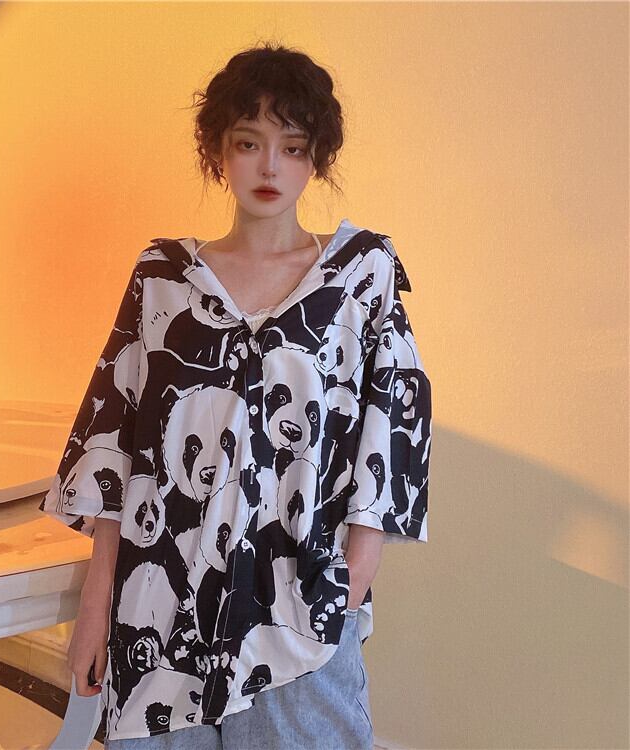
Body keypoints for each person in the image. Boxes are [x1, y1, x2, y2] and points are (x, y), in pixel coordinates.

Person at [39, 41, 432, 750]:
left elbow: (393, 429)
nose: (270, 166)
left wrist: (348, 584)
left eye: (292, 146)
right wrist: (96, 604)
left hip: (298, 613)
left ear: (317, 158)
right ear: (218, 152)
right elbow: (116, 445)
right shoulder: (163, 277)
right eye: (249, 143)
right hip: (159, 619)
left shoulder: (359, 275)